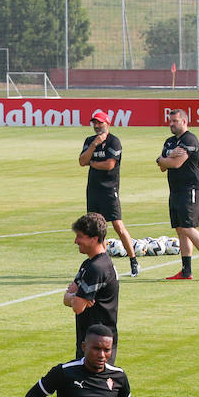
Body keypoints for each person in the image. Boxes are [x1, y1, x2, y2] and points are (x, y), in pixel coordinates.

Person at [156, 110, 199, 281]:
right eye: (170, 121)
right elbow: (162, 165)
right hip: (175, 189)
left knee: (188, 227)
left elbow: (176, 163)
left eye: (175, 121)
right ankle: (186, 271)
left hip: (189, 189)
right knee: (180, 229)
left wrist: (165, 159)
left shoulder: (190, 139)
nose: (171, 124)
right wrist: (167, 157)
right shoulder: (170, 142)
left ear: (184, 121)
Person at [79, 110, 139, 278]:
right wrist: (93, 146)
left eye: (100, 122)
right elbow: (82, 161)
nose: (97, 126)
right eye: (94, 123)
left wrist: (92, 162)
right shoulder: (90, 141)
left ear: (107, 123)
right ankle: (103, 264)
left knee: (118, 225)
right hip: (93, 190)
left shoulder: (114, 142)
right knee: (96, 228)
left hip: (109, 190)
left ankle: (133, 260)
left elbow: (109, 165)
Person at [63, 213, 119, 363]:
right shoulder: (89, 264)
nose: (76, 241)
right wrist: (74, 297)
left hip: (98, 346)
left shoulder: (97, 268)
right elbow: (68, 298)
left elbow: (77, 307)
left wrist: (74, 298)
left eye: (80, 236)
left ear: (94, 238)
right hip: (90, 342)